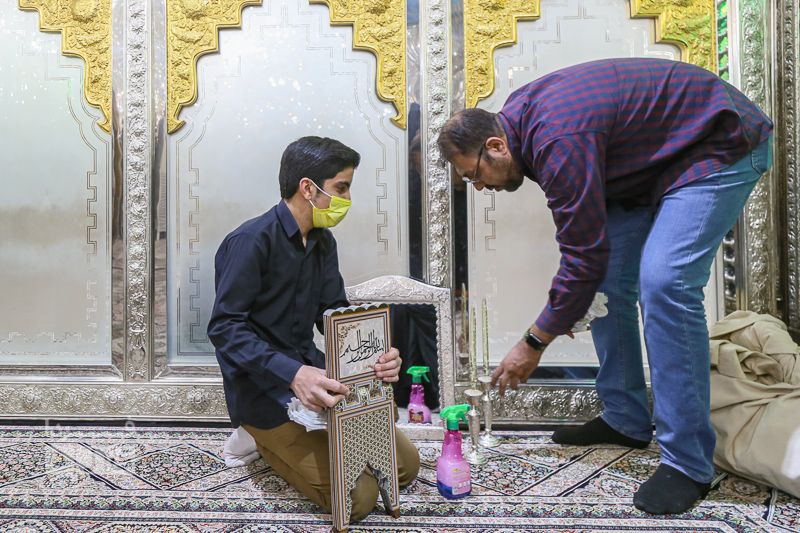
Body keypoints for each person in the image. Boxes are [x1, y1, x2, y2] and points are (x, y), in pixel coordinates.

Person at [437, 58, 773, 515]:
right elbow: (590, 262)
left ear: (496, 146)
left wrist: (534, 342)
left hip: (717, 142)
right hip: (652, 168)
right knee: (607, 285)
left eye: (473, 174)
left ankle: (688, 462)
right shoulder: (520, 125)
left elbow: (582, 257)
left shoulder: (557, 139)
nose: (477, 186)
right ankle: (626, 418)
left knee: (666, 283)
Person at [208, 136, 420, 522]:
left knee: (405, 468)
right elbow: (225, 328)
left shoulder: (323, 242)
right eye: (341, 187)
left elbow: (333, 313)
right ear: (308, 188)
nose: (347, 199)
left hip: (314, 376)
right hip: (262, 390)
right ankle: (257, 438)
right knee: (359, 499)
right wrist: (294, 374)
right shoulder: (250, 241)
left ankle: (309, 439)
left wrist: (376, 355)